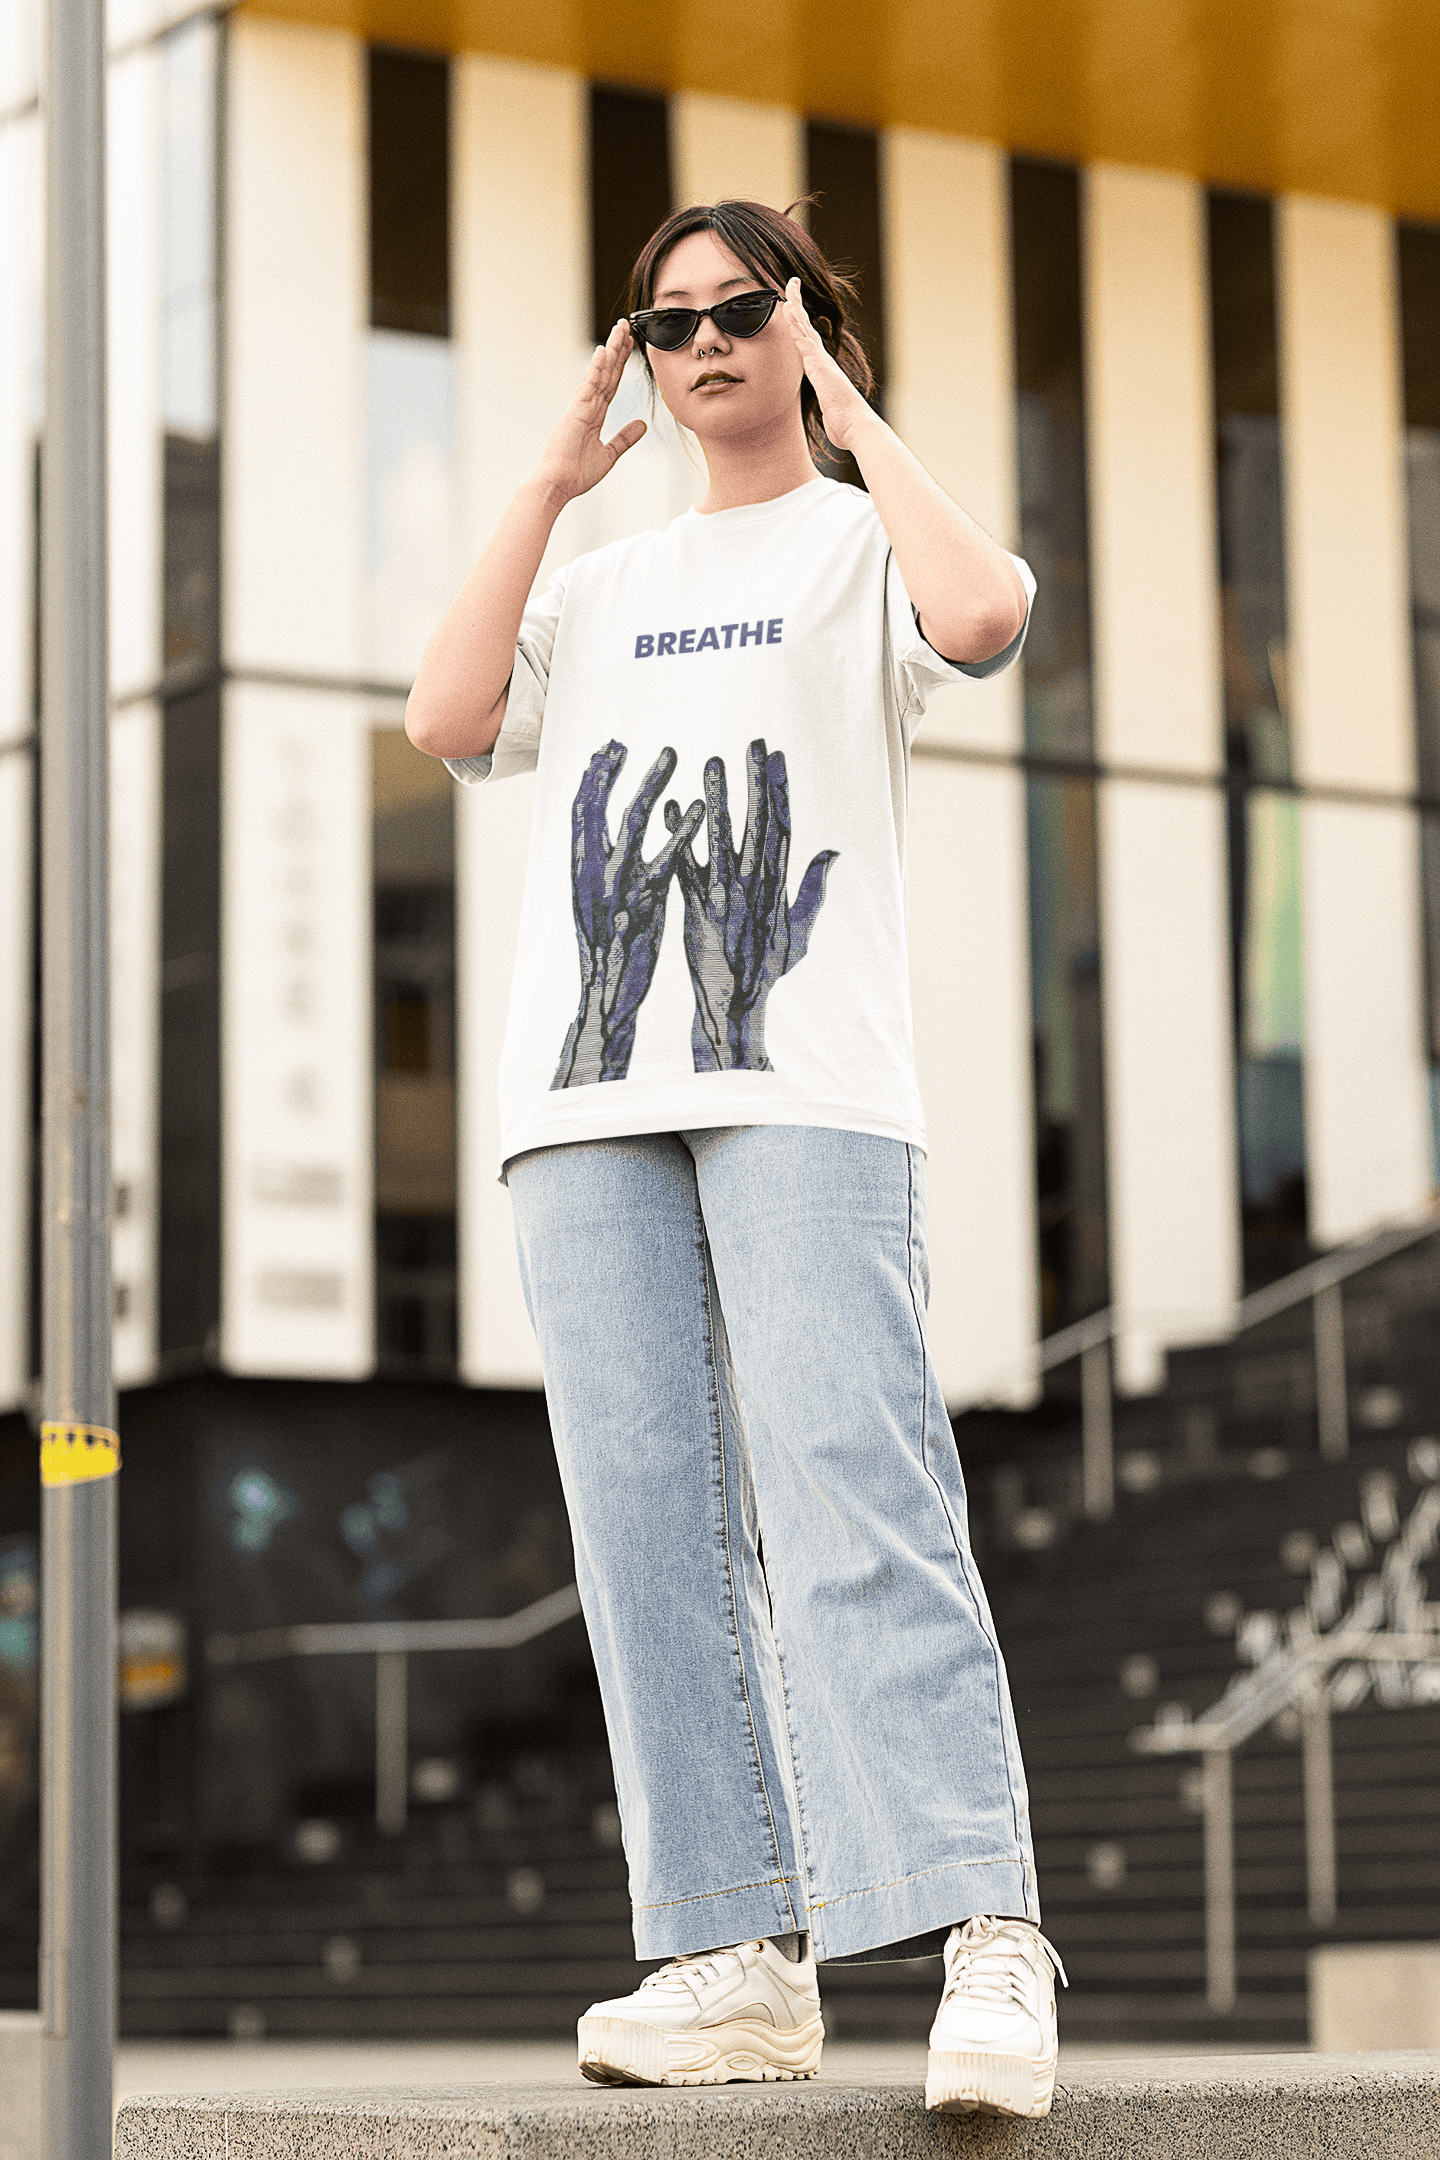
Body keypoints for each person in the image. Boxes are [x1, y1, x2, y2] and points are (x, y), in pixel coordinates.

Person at [406, 198, 1065, 2119]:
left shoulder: (867, 539)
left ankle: (983, 1928)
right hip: (584, 1105)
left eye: (740, 306)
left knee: (859, 1492)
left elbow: (986, 615)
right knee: (644, 1538)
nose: (702, 339)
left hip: (809, 1080)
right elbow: (448, 715)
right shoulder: (602, 583)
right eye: (666, 314)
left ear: (804, 322)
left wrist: (850, 415)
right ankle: (730, 1950)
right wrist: (544, 479)